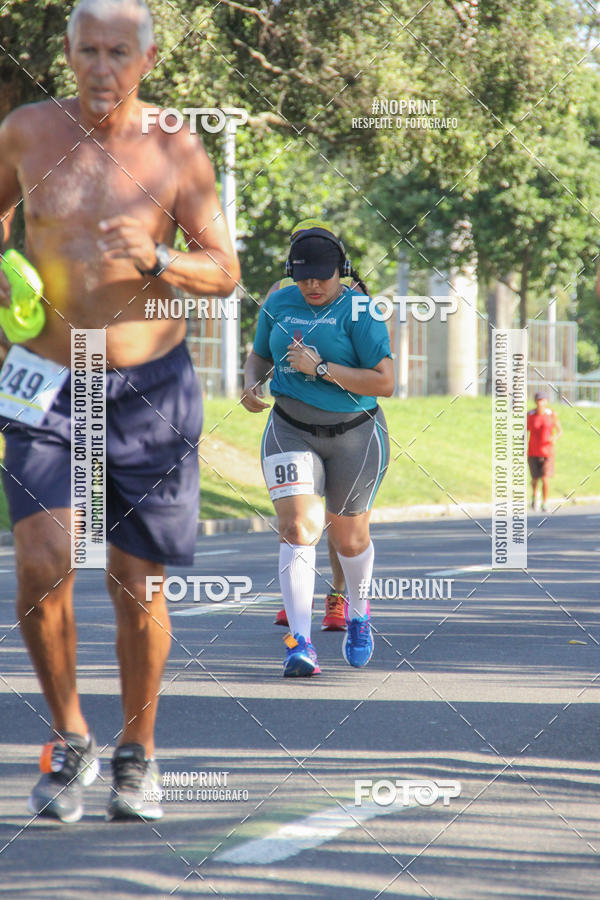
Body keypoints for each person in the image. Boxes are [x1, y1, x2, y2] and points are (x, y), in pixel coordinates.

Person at [0, 0, 239, 822]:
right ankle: (70, 740)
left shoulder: (177, 148)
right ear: (67, 51)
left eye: (118, 53)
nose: (102, 68)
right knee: (42, 560)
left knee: (136, 584)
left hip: (147, 390)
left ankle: (138, 751)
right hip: (45, 379)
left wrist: (160, 257)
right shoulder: (26, 132)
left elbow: (225, 271)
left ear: (149, 58)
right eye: (89, 51)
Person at [241, 219, 393, 676]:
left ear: (339, 272)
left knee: (349, 538)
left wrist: (321, 368)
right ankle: (300, 644)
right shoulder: (278, 301)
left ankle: (359, 614)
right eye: (303, 277)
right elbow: (259, 355)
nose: (312, 285)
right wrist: (251, 382)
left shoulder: (360, 310)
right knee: (297, 527)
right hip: (290, 429)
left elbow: (384, 382)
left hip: (356, 434)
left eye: (321, 277)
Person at [265, 275, 351, 633]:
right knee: (297, 516)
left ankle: (339, 594)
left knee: (338, 519)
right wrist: (254, 380)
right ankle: (297, 597)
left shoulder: (350, 293)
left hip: (345, 425)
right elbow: (265, 347)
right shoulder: (280, 291)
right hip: (293, 421)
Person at [527, 391, 562, 512]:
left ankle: (545, 502)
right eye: (538, 400)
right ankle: (534, 496)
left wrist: (554, 438)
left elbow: (559, 430)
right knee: (535, 479)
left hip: (547, 452)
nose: (540, 403)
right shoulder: (530, 415)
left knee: (545, 478)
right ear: (535, 401)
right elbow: (523, 432)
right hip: (533, 451)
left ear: (546, 401)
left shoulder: (552, 414)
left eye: (543, 400)